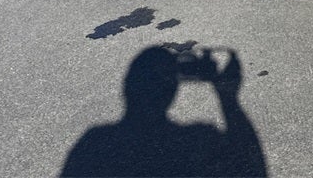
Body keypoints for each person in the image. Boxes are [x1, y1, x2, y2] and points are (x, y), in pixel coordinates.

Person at [61, 45, 267, 177]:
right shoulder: (200, 137)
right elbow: (254, 167)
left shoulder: (95, 140)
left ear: (127, 86)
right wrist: (227, 96)